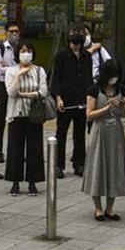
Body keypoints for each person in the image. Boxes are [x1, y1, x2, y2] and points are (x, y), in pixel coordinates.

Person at [83, 59, 125, 222]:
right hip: (100, 131)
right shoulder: (94, 90)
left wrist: (121, 106)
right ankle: (97, 208)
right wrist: (106, 108)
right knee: (97, 166)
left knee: (114, 166)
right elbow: (89, 114)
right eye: (112, 75)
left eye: (116, 75)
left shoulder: (122, 90)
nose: (114, 79)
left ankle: (110, 208)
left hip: (116, 132)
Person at [5, 41, 48, 197]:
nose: (26, 54)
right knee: (15, 149)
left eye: (29, 51)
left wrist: (24, 95)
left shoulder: (39, 71)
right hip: (16, 115)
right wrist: (19, 75)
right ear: (18, 53)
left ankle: (32, 182)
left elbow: (43, 91)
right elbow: (11, 92)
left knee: (34, 149)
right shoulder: (11, 71)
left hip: (33, 115)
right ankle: (15, 182)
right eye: (23, 51)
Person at [51, 25, 95, 179]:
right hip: (65, 100)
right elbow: (55, 79)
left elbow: (89, 78)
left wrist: (91, 98)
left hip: (81, 100)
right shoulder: (61, 56)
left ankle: (79, 164)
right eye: (74, 35)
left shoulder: (86, 56)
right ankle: (58, 165)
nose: (77, 39)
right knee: (60, 133)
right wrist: (58, 97)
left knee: (80, 134)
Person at [0, 21, 21, 164]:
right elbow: (0, 69)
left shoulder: (22, 49)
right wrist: (16, 70)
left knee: (17, 118)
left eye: (16, 32)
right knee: (0, 119)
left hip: (18, 86)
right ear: (6, 33)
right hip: (2, 86)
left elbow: (26, 65)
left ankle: (16, 150)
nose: (14, 34)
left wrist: (9, 68)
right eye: (11, 31)